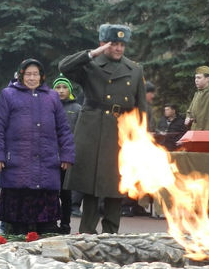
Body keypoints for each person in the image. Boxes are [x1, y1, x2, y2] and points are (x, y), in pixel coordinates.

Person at [58, 23, 148, 234]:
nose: (118, 49)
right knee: (91, 187)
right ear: (103, 44)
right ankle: (87, 234)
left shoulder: (134, 70)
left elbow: (141, 108)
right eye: (113, 44)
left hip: (121, 132)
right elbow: (64, 67)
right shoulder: (90, 65)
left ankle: (111, 234)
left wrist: (141, 138)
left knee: (117, 186)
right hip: (93, 130)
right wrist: (92, 54)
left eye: (121, 45)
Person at [0, 59, 75, 235]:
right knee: (18, 229)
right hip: (17, 166)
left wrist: (67, 155)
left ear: (42, 76)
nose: (32, 78)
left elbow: (63, 129)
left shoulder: (52, 97)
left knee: (47, 229)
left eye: (35, 74)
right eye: (28, 74)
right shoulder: (8, 95)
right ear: (21, 75)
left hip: (47, 165)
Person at [52, 74, 82, 233]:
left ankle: (65, 223)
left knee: (65, 193)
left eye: (64, 87)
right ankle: (51, 222)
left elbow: (80, 133)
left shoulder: (77, 109)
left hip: (67, 157)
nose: (61, 91)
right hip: (50, 156)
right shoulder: (49, 105)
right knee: (51, 192)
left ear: (69, 90)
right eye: (57, 87)